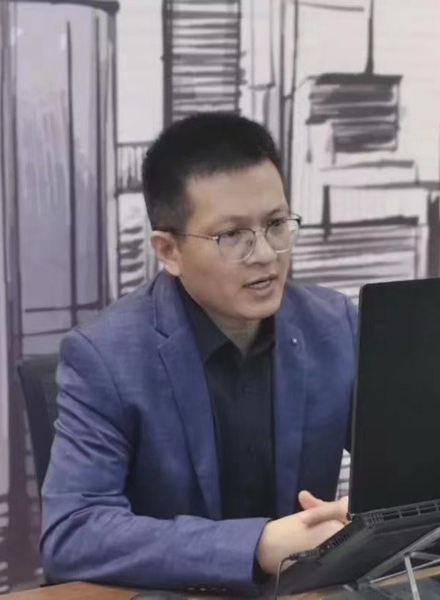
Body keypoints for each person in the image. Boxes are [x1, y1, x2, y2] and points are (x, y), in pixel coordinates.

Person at [39, 113, 357, 591]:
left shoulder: (333, 326)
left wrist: (366, 512)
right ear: (168, 250)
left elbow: (408, 467)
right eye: (232, 236)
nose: (265, 254)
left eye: (276, 224)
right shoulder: (104, 357)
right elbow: (72, 533)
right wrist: (259, 545)